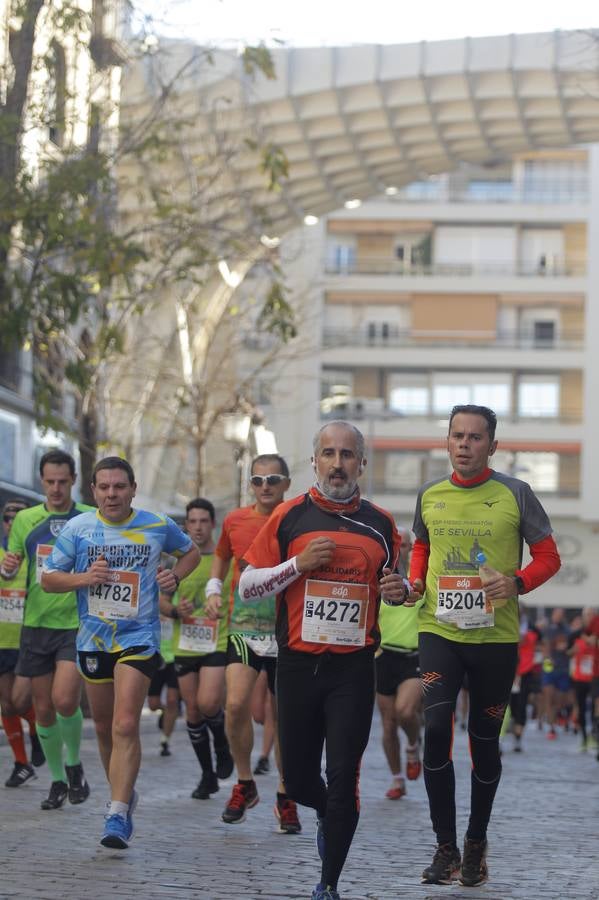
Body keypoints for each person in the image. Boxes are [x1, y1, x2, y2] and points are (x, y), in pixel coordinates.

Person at [238, 421, 407, 900]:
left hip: (352, 670)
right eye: (328, 454)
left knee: (343, 779)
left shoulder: (380, 523)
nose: (338, 463)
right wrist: (298, 565)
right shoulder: (289, 517)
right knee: (296, 779)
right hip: (295, 666)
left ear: (361, 464)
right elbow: (248, 585)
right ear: (314, 461)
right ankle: (327, 815)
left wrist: (400, 590)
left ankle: (327, 882)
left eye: (347, 454)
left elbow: (396, 584)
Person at [406, 404, 561, 887]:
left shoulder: (516, 493)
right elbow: (420, 548)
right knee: (435, 727)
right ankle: (445, 846)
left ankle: (475, 842)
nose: (465, 444)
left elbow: (549, 557)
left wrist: (516, 582)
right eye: (457, 436)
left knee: (483, 742)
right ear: (447, 441)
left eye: (475, 438)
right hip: (440, 631)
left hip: (494, 639)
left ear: (492, 446)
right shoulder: (429, 494)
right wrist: (413, 585)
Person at [41, 457, 200, 849]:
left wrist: (174, 576)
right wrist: (85, 578)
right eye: (104, 487)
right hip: (93, 641)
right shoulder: (79, 529)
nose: (112, 494)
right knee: (106, 727)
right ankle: (124, 797)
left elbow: (191, 552)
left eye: (119, 486)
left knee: (126, 724)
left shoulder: (156, 524)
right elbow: (48, 578)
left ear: (132, 487)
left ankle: (115, 814)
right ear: (93, 490)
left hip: (138, 638)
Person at [205, 455, 301, 834]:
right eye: (258, 480)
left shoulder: (297, 517)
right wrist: (214, 588)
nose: (265, 486)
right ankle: (244, 783)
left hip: (285, 630)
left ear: (286, 483)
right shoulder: (234, 520)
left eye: (272, 479)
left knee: (284, 718)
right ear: (250, 484)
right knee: (234, 704)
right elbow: (221, 555)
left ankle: (285, 793)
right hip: (243, 627)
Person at [2, 450, 92, 810]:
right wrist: (8, 568)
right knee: (42, 710)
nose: (56, 489)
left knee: (65, 699)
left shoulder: (89, 517)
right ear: (42, 481)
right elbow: (12, 569)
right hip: (35, 623)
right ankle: (57, 780)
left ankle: (74, 766)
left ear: (73, 481)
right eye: (50, 482)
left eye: (62, 482)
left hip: (75, 622)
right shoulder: (25, 519)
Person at [159, 498, 234, 799]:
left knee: (208, 703)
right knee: (192, 710)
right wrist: (177, 609)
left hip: (218, 640)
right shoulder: (177, 560)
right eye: (193, 522)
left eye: (204, 521)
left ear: (213, 524)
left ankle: (222, 745)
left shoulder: (224, 558)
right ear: (186, 525)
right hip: (185, 643)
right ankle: (207, 775)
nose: (198, 527)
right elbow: (161, 601)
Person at [0, 498, 45, 786]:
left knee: (20, 700)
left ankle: (38, 731)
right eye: (7, 518)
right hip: (2, 641)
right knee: (6, 705)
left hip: (27, 638)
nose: (11, 522)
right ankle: (21, 762)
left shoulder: (34, 557)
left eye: (18, 518)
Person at [375, 527, 422, 800]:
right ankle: (397, 779)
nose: (403, 549)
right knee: (389, 724)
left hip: (414, 655)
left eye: (407, 545)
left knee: (405, 712)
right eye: (399, 545)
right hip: (384, 656)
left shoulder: (421, 579)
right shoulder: (383, 579)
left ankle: (414, 745)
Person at [509, 607, 542, 752]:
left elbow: (540, 643)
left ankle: (518, 737)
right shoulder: (505, 626)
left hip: (525, 671)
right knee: (509, 704)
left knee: (521, 705)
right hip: (509, 670)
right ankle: (510, 729)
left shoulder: (531, 630)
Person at [541, 607, 571, 739]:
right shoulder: (547, 629)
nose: (558, 616)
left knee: (560, 700)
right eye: (556, 614)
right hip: (549, 668)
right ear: (553, 614)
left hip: (563, 668)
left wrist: (567, 649)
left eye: (561, 614)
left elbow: (572, 646)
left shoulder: (567, 630)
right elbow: (544, 646)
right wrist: (547, 657)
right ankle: (551, 728)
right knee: (549, 696)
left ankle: (557, 715)